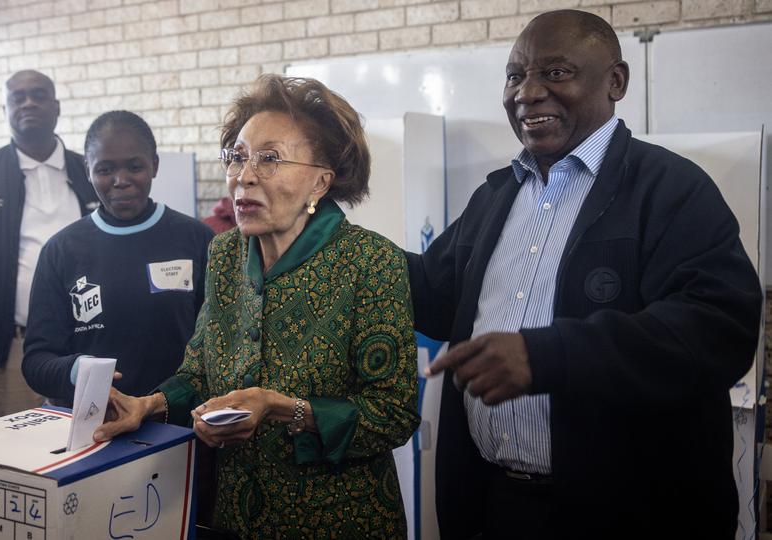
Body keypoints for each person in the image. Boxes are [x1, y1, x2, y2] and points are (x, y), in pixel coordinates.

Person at [407, 10, 763, 540]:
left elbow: (717, 326)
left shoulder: (670, 188)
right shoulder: (496, 197)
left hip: (630, 515)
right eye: (514, 76)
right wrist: (328, 235)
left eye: (554, 73)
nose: (526, 93)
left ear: (615, 81)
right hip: (496, 505)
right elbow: (433, 295)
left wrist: (549, 354)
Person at [93, 76, 420, 539]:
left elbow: (392, 413)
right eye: (238, 156)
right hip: (237, 516)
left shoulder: (370, 262)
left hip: (339, 517)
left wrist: (282, 408)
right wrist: (149, 404)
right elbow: (200, 373)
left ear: (321, 181)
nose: (244, 175)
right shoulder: (225, 254)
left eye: (270, 159)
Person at [22, 110, 214, 406]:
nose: (120, 180)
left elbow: (220, 346)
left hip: (178, 424)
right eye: (105, 169)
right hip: (95, 425)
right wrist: (76, 370)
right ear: (87, 170)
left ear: (155, 165)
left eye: (134, 166)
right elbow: (36, 362)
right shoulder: (61, 250)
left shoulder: (197, 240)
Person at [0, 70, 99, 420]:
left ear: (56, 106)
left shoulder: (89, 172)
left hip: (89, 345)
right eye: (17, 97)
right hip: (10, 355)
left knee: (89, 454)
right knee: (13, 465)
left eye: (38, 94)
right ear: (5, 109)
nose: (28, 103)